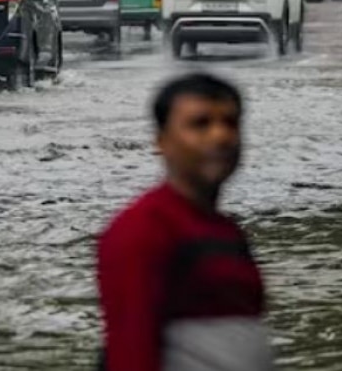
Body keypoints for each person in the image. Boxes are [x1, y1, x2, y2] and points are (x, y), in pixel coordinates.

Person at [97, 73, 272, 371]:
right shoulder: (142, 229)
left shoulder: (228, 232)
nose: (220, 136)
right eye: (200, 124)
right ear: (162, 141)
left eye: (230, 123)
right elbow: (131, 350)